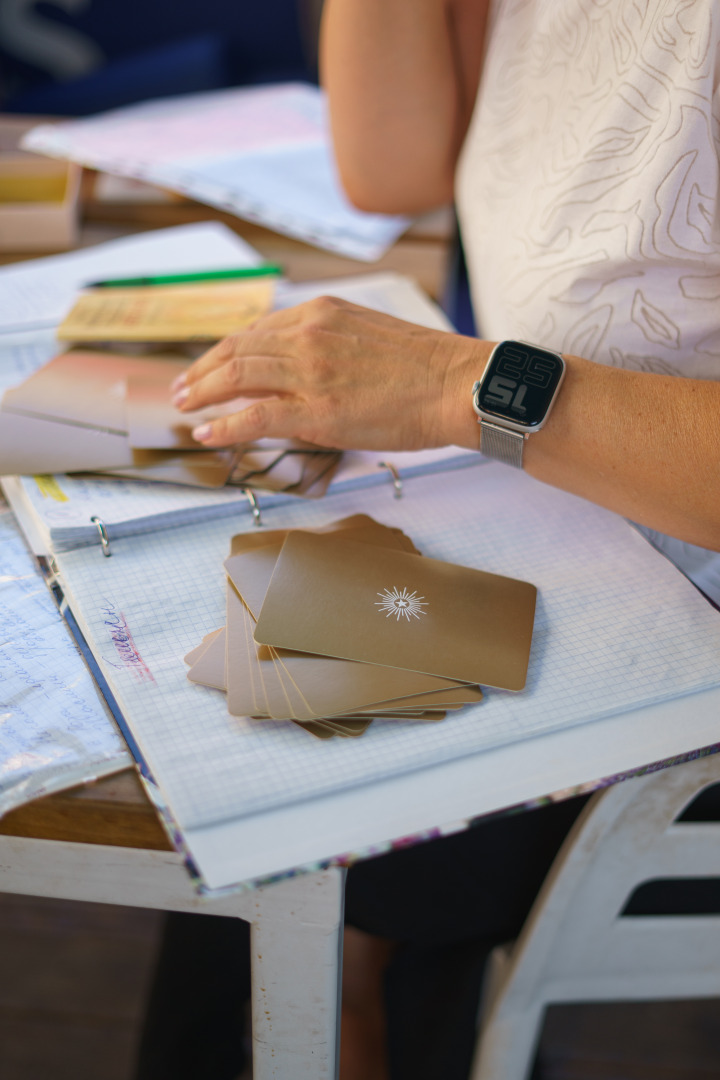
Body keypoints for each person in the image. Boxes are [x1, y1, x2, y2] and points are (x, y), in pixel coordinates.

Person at [160, 3, 720, 1077]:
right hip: (548, 503)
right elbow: (395, 165)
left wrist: (460, 384)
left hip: (670, 602)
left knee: (269, 790)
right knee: (233, 728)